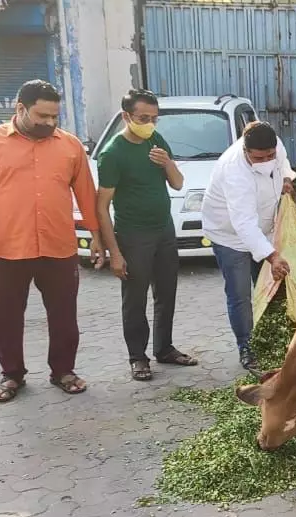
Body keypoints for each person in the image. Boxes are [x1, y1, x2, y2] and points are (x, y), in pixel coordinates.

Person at [0, 79, 103, 402]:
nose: (50, 124)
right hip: (8, 248)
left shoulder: (70, 146)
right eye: (42, 116)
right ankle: (12, 375)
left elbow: (86, 195)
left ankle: (63, 370)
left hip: (58, 246)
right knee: (5, 316)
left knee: (64, 314)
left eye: (55, 117)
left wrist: (96, 237)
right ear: (20, 108)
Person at [95, 89, 198, 381]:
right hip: (133, 234)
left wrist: (167, 162)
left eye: (154, 118)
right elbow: (101, 207)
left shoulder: (155, 140)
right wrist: (114, 252)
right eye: (143, 118)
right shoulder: (113, 153)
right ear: (126, 117)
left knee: (166, 292)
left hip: (164, 229)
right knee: (135, 298)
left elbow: (178, 184)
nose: (150, 123)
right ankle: (138, 357)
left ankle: (164, 348)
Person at [202, 121, 293, 370]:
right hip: (230, 236)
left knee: (267, 288)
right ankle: (247, 347)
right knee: (240, 294)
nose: (266, 161)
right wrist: (273, 256)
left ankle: (272, 342)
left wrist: (285, 178)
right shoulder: (235, 171)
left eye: (270, 156)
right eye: (259, 157)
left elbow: (283, 163)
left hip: (262, 230)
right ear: (245, 151)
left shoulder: (276, 147)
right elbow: (243, 224)